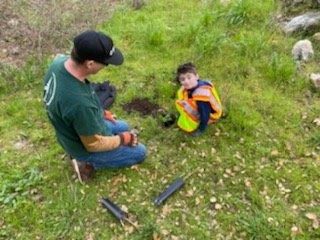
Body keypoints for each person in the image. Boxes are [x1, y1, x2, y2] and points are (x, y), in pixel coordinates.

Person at [43, 30, 147, 183]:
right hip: (82, 145)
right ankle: (84, 162)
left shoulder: (60, 63)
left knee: (124, 125)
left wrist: (101, 112)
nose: (106, 66)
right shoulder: (78, 103)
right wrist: (121, 139)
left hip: (74, 127)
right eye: (105, 63)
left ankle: (100, 139)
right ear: (90, 63)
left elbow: (84, 99)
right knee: (140, 152)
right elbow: (93, 144)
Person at [175, 62, 222, 136]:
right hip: (202, 108)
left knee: (193, 108)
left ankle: (201, 126)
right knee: (181, 92)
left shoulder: (202, 96)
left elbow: (205, 114)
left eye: (189, 77)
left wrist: (201, 129)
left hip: (210, 114)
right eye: (182, 79)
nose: (186, 81)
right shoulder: (192, 86)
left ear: (197, 77)